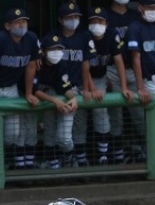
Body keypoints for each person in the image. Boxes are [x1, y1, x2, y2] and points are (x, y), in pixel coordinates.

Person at [0, 8, 40, 170]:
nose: (22, 25)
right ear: (8, 26)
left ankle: (1, 159)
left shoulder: (31, 38)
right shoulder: (0, 38)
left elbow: (31, 67)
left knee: (13, 133)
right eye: (17, 22)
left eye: (24, 21)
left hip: (11, 86)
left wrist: (28, 93)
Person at [126, 0, 155, 173]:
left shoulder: (153, 28)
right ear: (141, 8)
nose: (154, 11)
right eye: (150, 7)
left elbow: (154, 52)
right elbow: (135, 59)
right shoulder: (134, 28)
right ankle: (147, 155)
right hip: (152, 83)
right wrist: (140, 87)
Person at [85, 6, 134, 165]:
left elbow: (119, 61)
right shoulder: (84, 36)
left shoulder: (112, 35)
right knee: (79, 121)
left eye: (100, 21)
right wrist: (92, 88)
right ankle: (79, 158)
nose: (97, 24)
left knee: (103, 115)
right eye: (93, 21)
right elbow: (83, 66)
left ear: (106, 23)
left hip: (99, 77)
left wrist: (124, 87)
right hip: (80, 79)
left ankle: (104, 156)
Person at [51, 1, 97, 167]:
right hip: (56, 89)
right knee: (57, 131)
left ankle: (79, 159)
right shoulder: (54, 37)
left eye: (76, 16)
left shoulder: (84, 36)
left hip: (76, 87)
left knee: (80, 126)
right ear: (60, 19)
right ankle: (64, 159)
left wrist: (86, 87)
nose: (73, 20)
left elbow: (86, 64)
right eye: (69, 17)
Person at [25, 32, 78, 170]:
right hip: (46, 98)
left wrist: (73, 98)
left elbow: (64, 87)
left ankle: (69, 160)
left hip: (58, 98)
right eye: (52, 49)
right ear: (43, 51)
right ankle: (53, 166)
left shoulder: (62, 64)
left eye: (59, 49)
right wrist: (54, 100)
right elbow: (34, 89)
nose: (56, 52)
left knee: (64, 139)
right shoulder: (37, 63)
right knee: (49, 132)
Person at [107, 0, 144, 163]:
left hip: (133, 68)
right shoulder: (105, 16)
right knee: (116, 117)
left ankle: (144, 153)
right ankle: (117, 155)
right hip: (112, 69)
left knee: (140, 116)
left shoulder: (135, 16)